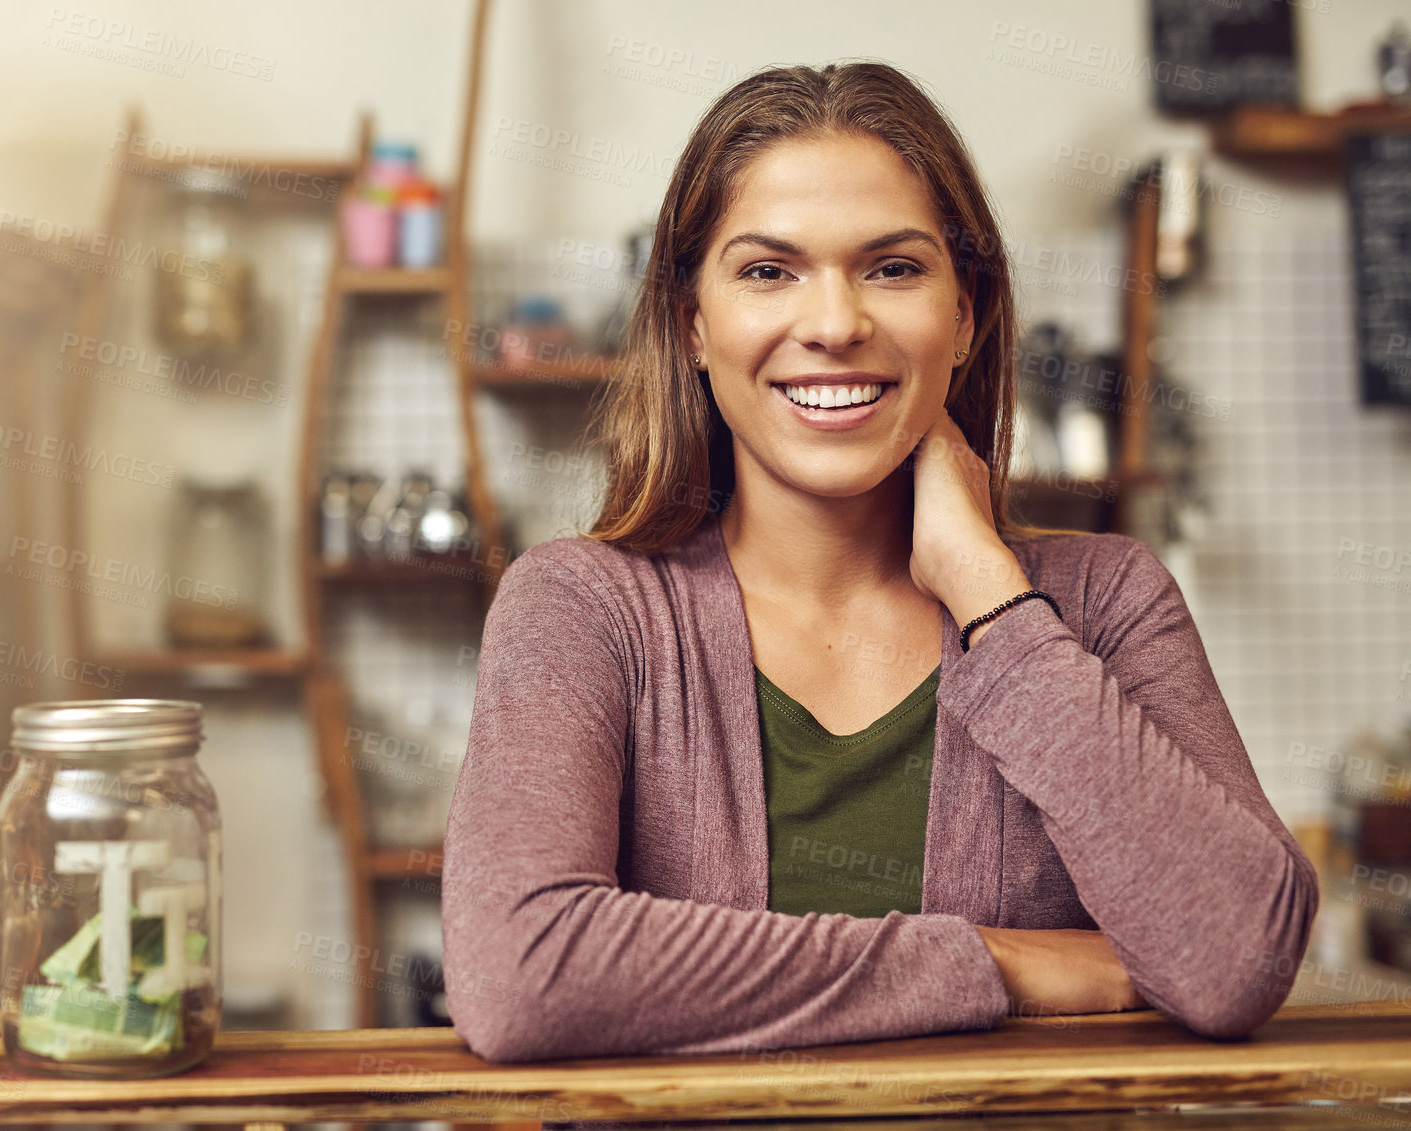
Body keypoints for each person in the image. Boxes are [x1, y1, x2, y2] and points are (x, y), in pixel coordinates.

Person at [439, 61, 1317, 1066]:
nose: (833, 324)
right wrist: (998, 964)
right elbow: (519, 977)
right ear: (693, 322)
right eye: (769, 271)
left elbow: (1239, 957)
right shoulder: (583, 610)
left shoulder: (1104, 603)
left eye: (892, 268)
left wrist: (992, 597)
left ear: (967, 314)